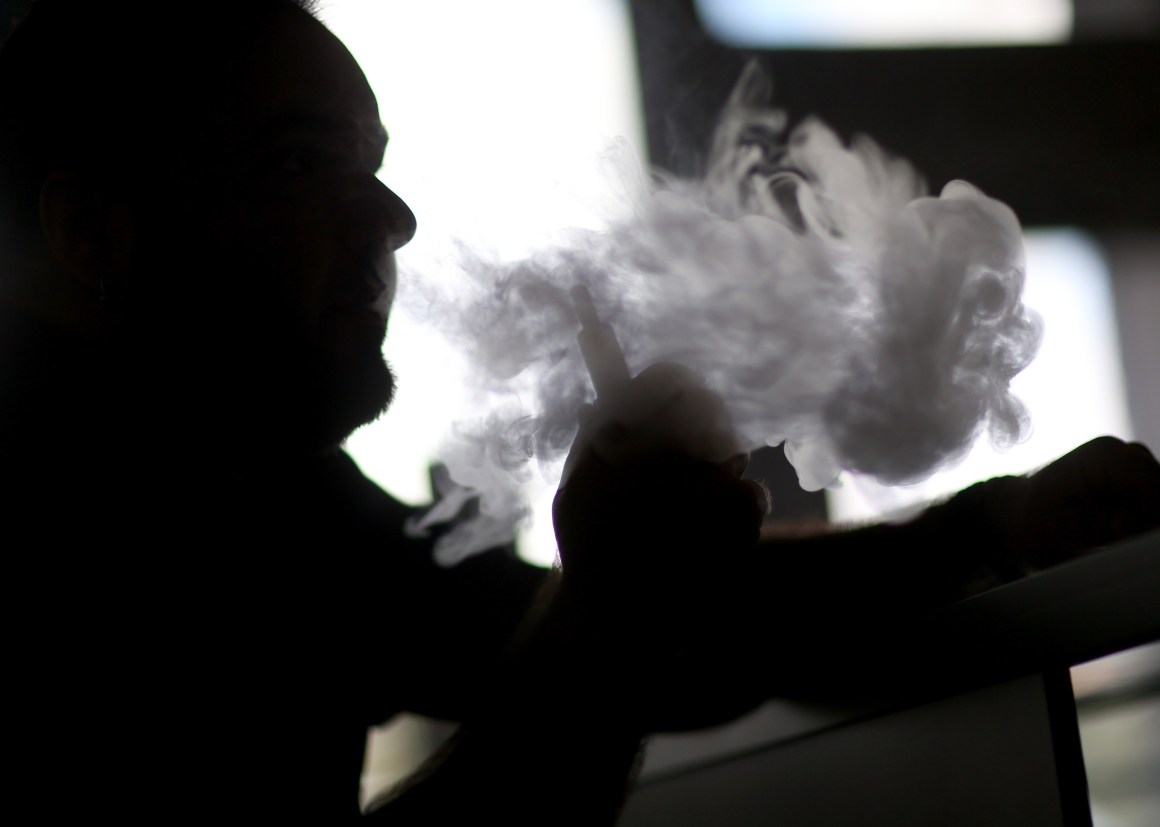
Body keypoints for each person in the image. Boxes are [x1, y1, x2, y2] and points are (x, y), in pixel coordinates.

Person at [1, 1, 1156, 824]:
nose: (391, 216)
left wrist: (983, 532)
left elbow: (658, 643)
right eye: (301, 165)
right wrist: (611, 614)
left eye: (375, 164)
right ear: (94, 231)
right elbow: (599, 641)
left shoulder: (266, 494)